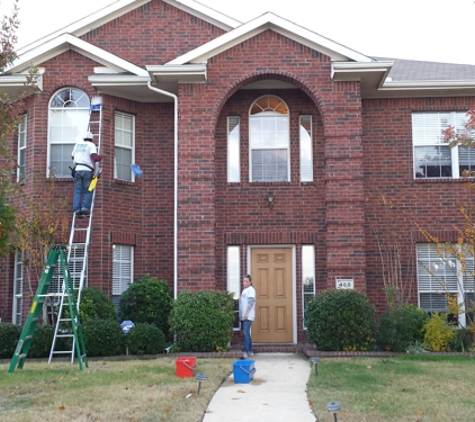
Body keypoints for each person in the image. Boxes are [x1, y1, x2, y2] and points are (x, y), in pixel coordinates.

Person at [71, 131, 102, 217]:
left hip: (77, 170)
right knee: (89, 189)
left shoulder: (77, 145)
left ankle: (77, 209)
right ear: (91, 138)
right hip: (87, 171)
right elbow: (95, 157)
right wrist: (101, 157)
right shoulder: (91, 145)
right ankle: (85, 207)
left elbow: (72, 157)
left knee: (78, 191)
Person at [239, 274, 256, 359]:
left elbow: (250, 302)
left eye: (246, 281)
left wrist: (246, 314)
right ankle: (250, 350)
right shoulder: (244, 291)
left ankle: (245, 351)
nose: (245, 283)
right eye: (244, 281)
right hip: (243, 316)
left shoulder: (251, 290)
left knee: (245, 333)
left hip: (248, 316)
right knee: (246, 333)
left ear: (250, 282)